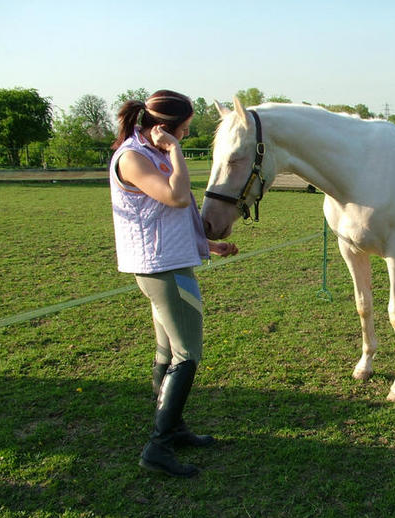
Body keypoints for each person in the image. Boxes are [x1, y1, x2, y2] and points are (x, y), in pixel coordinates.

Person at [109, 90, 237, 477]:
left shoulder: (150, 153)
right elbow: (179, 198)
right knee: (187, 354)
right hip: (162, 268)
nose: (185, 134)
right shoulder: (133, 157)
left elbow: (168, 215)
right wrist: (175, 151)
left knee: (168, 350)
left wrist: (206, 243)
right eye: (183, 129)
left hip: (170, 262)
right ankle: (157, 446)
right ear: (165, 129)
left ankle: (173, 428)